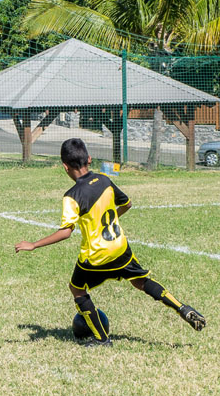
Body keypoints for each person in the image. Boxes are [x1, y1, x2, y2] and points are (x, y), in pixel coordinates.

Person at [14, 138, 207, 346]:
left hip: (96, 256)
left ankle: (101, 338)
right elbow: (127, 203)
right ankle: (182, 308)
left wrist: (33, 244)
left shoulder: (72, 196)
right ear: (89, 159)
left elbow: (66, 232)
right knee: (140, 281)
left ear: (65, 166)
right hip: (119, 247)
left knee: (76, 288)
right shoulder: (104, 180)